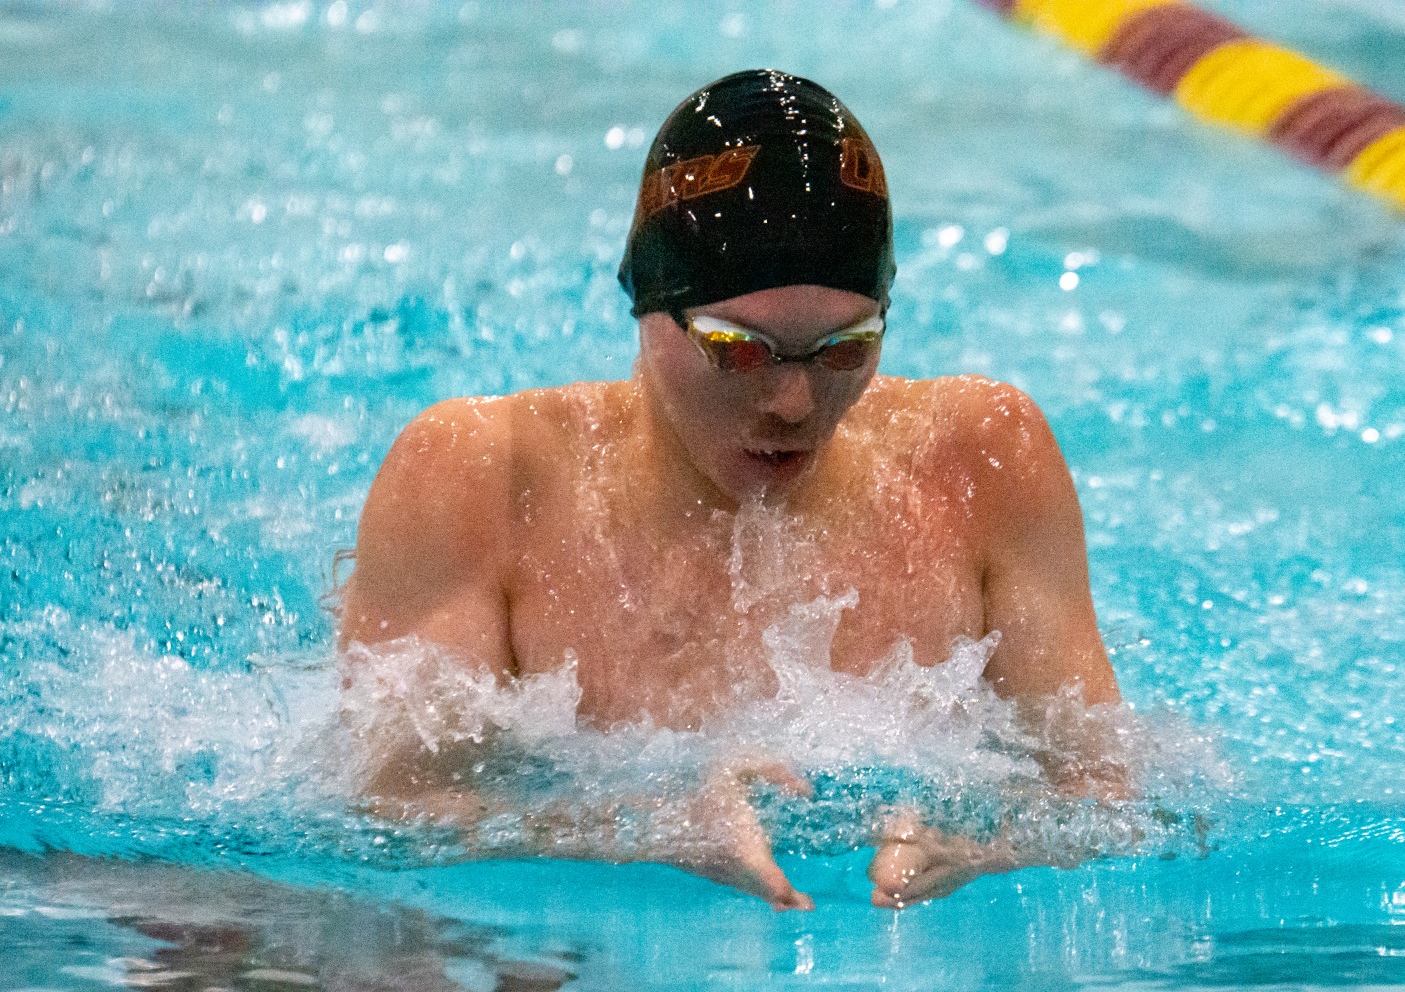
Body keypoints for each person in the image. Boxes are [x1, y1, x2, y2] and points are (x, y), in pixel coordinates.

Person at [338, 70, 1132, 911]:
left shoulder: (983, 460)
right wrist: (635, 829)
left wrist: (990, 845)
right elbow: (383, 818)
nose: (794, 403)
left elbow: (1115, 797)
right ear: (648, 307)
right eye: (740, 350)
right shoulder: (481, 479)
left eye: (844, 349)